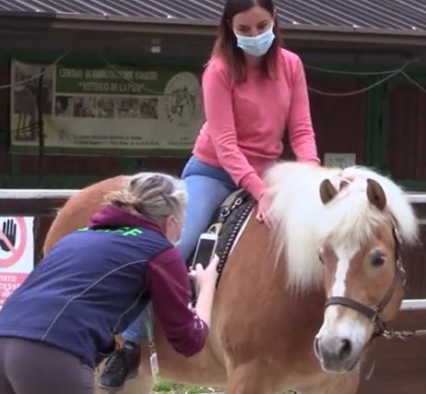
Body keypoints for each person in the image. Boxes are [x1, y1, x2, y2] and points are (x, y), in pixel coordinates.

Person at [97, 0, 321, 389]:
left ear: (274, 22)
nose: (255, 36)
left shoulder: (292, 65)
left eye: (262, 26)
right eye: (245, 29)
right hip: (214, 170)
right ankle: (128, 343)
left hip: (272, 172)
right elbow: (226, 142)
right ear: (230, 28)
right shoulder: (217, 71)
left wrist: (312, 174)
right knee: (171, 247)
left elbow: (301, 130)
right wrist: (258, 191)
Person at [0, 172, 218, 394]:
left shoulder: (79, 236)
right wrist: (207, 286)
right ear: (171, 221)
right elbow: (189, 340)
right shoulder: (159, 251)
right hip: (53, 352)